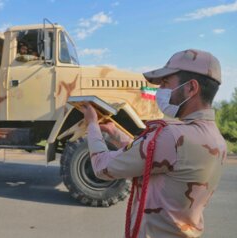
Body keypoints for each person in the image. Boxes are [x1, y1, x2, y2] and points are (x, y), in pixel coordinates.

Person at [82, 49, 227, 238]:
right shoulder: (215, 138)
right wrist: (114, 132)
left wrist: (92, 125)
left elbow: (102, 166)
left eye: (166, 83)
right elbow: (151, 156)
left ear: (191, 88)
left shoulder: (172, 136)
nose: (160, 91)